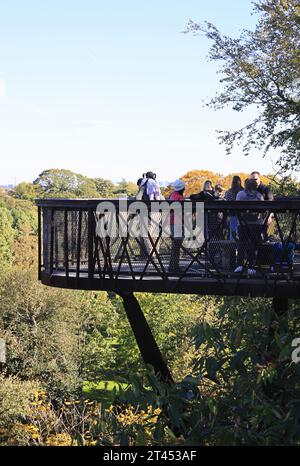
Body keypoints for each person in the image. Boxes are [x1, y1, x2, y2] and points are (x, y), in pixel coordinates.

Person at [234, 178, 264, 275]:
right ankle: (251, 266)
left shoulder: (240, 194)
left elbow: (236, 208)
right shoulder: (259, 195)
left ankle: (240, 265)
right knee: (253, 245)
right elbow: (263, 209)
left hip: (243, 223)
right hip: (256, 224)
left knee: (241, 244)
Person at [168, 179, 185, 273]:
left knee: (175, 246)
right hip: (178, 222)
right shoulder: (180, 198)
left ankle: (173, 265)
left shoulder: (172, 195)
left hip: (172, 221)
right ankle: (174, 267)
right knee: (177, 246)